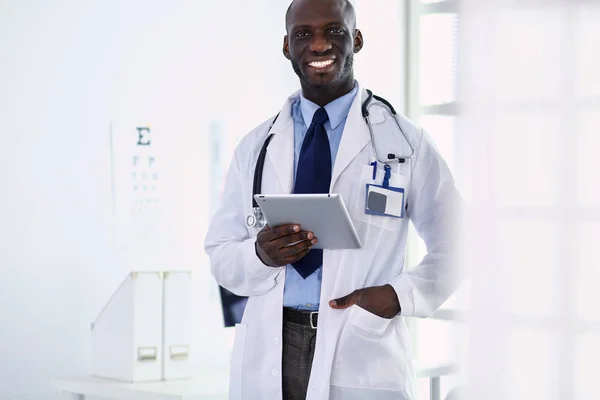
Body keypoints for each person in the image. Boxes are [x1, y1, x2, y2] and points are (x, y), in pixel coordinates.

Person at [204, 0, 462, 399]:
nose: (319, 45)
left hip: (358, 342)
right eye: (303, 34)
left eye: (334, 31)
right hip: (272, 346)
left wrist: (397, 296)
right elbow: (221, 256)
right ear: (287, 47)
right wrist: (260, 256)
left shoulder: (406, 143)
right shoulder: (256, 146)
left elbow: (461, 244)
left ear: (356, 39)